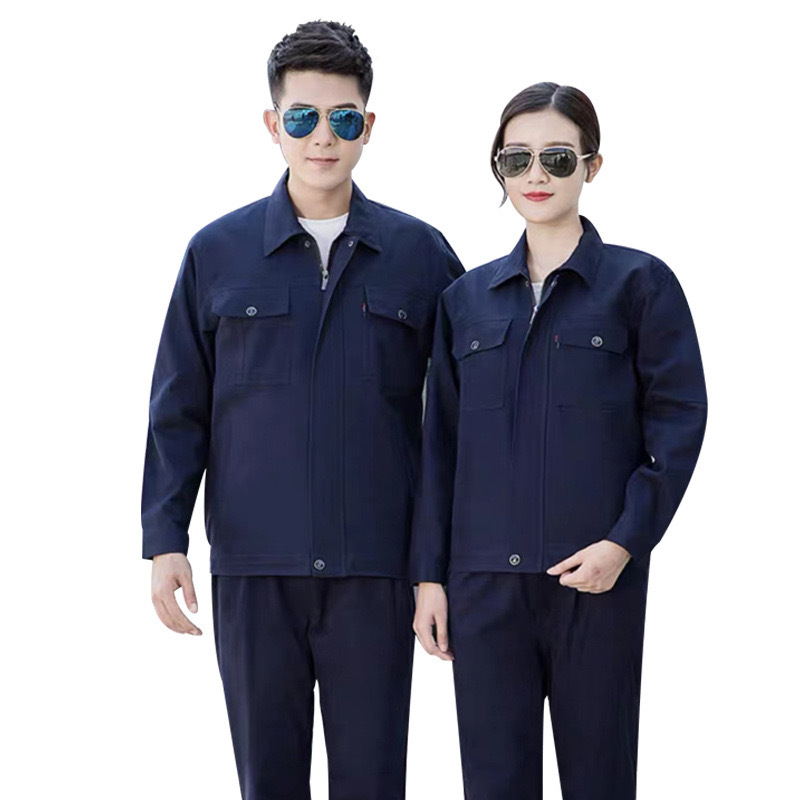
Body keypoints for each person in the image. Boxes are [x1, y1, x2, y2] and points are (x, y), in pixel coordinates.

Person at [141, 21, 463, 800]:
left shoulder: (421, 256)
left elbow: (463, 419)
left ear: (368, 126)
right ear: (272, 123)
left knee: (373, 783)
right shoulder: (216, 253)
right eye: (303, 117)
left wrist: (439, 568)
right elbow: (179, 404)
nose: (324, 136)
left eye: (344, 118)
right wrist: (164, 539)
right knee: (268, 784)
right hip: (256, 568)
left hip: (376, 569)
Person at [410, 82, 707, 799]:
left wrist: (625, 542)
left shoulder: (641, 284)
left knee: (600, 780)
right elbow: (439, 447)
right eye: (516, 159)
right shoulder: (464, 301)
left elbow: (678, 423)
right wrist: (429, 578)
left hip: (595, 581)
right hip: (484, 586)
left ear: (592, 165)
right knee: (494, 785)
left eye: (557, 157)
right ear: (499, 169)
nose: (536, 175)